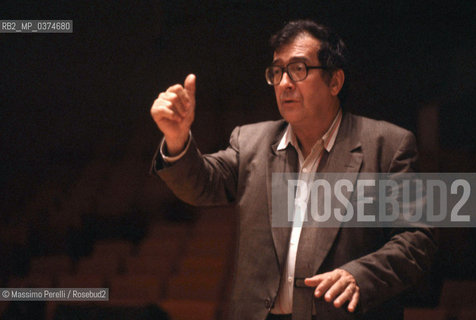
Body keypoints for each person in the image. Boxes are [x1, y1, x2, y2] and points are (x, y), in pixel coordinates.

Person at [150, 20, 437, 320]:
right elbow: (201, 184)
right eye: (277, 71)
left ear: (335, 82)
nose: (284, 82)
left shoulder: (388, 146)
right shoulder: (250, 142)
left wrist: (359, 277)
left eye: (298, 69)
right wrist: (176, 137)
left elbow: (417, 239)